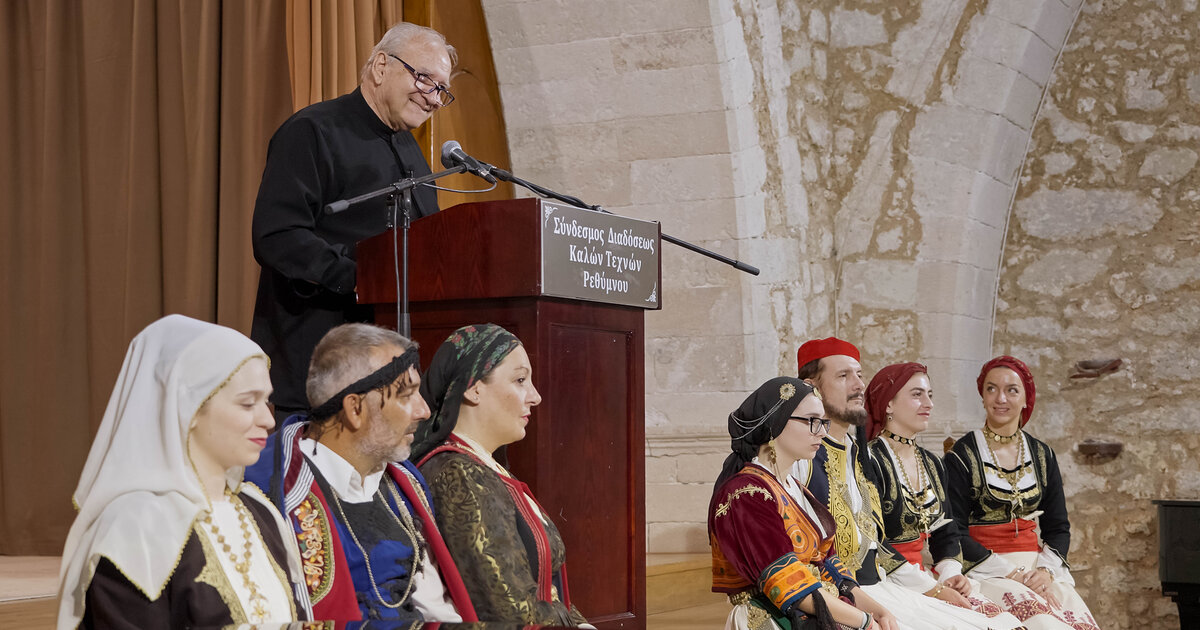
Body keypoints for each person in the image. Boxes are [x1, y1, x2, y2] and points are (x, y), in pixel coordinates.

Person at [251, 21, 456, 419]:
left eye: (442, 89)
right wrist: (361, 277)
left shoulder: (411, 152)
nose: (434, 98)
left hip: (395, 372)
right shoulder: (312, 131)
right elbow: (278, 235)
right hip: (322, 367)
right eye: (425, 79)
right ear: (381, 67)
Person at [57, 315, 308, 629]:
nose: (268, 421)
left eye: (267, 402)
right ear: (189, 408)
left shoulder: (260, 511)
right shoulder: (137, 530)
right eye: (247, 404)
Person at [244, 323, 477, 623]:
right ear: (355, 409)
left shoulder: (404, 482)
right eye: (406, 395)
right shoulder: (268, 489)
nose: (424, 411)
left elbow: (435, 606)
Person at [791, 337, 1023, 630]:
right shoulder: (803, 457)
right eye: (843, 375)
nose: (859, 385)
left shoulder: (856, 452)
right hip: (845, 597)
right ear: (812, 386)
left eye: (859, 375)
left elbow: (890, 538)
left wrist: (943, 576)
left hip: (883, 587)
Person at [865, 362, 1071, 630]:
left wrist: (951, 573)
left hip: (928, 577)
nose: (928, 403)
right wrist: (934, 588)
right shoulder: (869, 461)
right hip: (890, 581)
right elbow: (871, 541)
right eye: (917, 395)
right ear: (888, 404)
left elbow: (946, 533)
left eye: (930, 395)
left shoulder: (931, 463)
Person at [411, 324, 589, 626]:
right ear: (473, 388)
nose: (535, 396)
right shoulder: (459, 475)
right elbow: (509, 611)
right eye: (520, 380)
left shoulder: (484, 467)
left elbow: (548, 592)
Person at [710, 376, 893, 630]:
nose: (822, 432)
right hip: (772, 617)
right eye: (811, 421)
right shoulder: (747, 493)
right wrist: (864, 621)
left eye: (823, 422)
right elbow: (787, 584)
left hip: (816, 610)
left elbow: (830, 566)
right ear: (775, 423)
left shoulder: (796, 489)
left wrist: (879, 611)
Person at [946, 356, 1101, 630]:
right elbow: (955, 531)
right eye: (991, 389)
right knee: (1043, 623)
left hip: (1036, 567)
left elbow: (1058, 527)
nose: (1001, 398)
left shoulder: (1042, 454)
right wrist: (1010, 572)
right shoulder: (962, 455)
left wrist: (1046, 572)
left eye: (1012, 390)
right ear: (982, 396)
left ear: (1027, 398)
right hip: (987, 568)